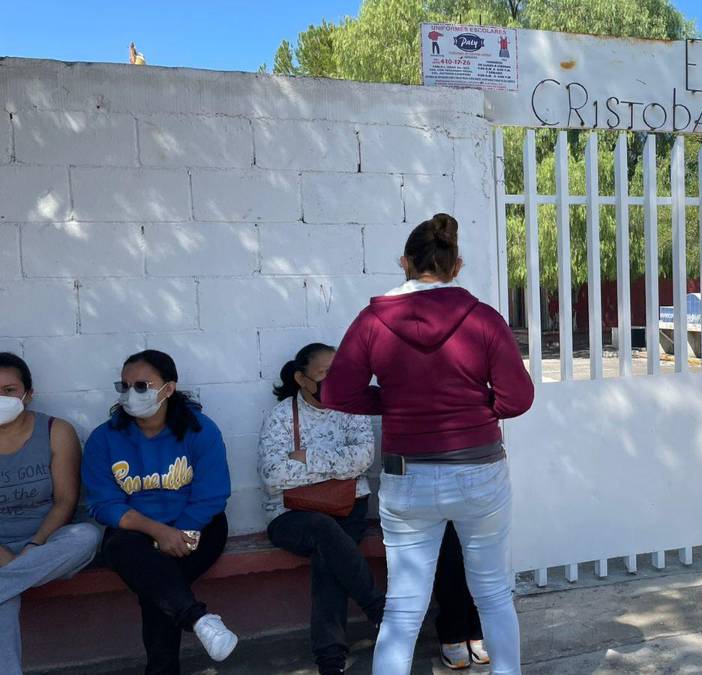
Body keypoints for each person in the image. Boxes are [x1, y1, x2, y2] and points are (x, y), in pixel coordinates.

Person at [323, 213, 535, 674]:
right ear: (456, 266)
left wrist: (398, 403)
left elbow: (335, 392)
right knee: (494, 594)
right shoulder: (483, 319)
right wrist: (474, 408)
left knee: (403, 608)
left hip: (407, 476)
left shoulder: (373, 320)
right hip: (479, 470)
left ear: (404, 261)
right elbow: (519, 397)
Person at [82, 350, 236, 674]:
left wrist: (180, 532)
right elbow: (103, 503)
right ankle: (197, 619)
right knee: (137, 559)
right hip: (134, 533)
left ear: (167, 389)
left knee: (154, 582)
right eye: (124, 386)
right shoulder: (104, 438)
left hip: (199, 526)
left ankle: (173, 653)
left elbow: (213, 494)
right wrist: (158, 532)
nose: (130, 394)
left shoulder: (200, 431)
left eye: (141, 386)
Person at [258, 343, 384, 675]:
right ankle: (378, 609)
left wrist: (305, 459)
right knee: (323, 531)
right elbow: (272, 475)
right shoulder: (283, 416)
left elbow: (363, 459)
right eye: (325, 372)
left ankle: (330, 663)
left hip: (347, 508)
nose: (335, 379)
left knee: (328, 557)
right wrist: (337, 466)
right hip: (290, 515)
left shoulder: (351, 410)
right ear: (302, 378)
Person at [0, 352, 101, 673]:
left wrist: (33, 547)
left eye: (9, 390)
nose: (0, 399)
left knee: (87, 535)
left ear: (29, 394)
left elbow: (66, 501)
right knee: (6, 593)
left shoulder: (56, 430)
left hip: (48, 544)